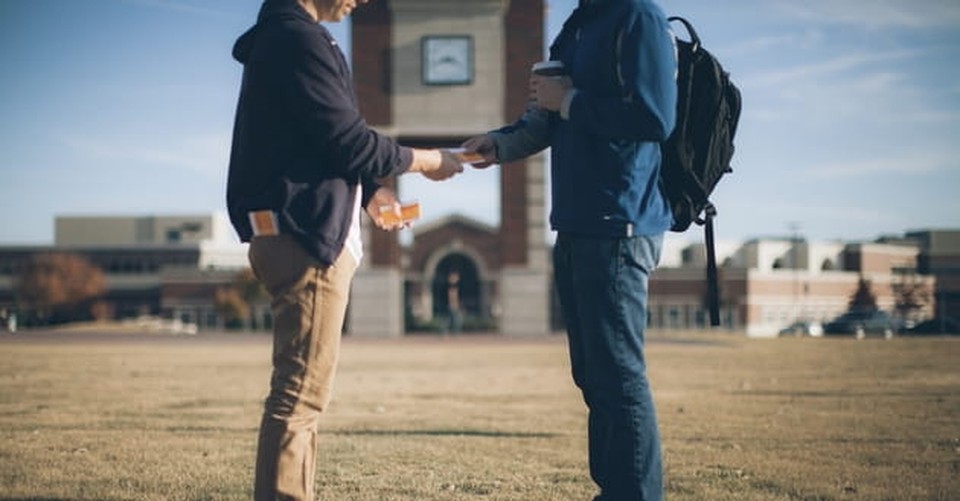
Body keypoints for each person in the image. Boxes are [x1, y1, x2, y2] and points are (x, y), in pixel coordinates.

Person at [225, 1, 463, 500]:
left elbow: (323, 141)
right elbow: (350, 140)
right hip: (305, 238)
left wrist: (373, 190)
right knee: (299, 398)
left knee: (301, 398)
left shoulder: (283, 38)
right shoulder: (299, 39)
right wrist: (428, 160)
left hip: (289, 233)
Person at [462, 0, 677, 498]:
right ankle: (615, 489)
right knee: (595, 376)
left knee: (619, 374)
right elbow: (549, 118)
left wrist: (570, 100)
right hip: (576, 224)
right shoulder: (576, 26)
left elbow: (654, 116)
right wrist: (500, 144)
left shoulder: (638, 16)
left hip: (620, 225)